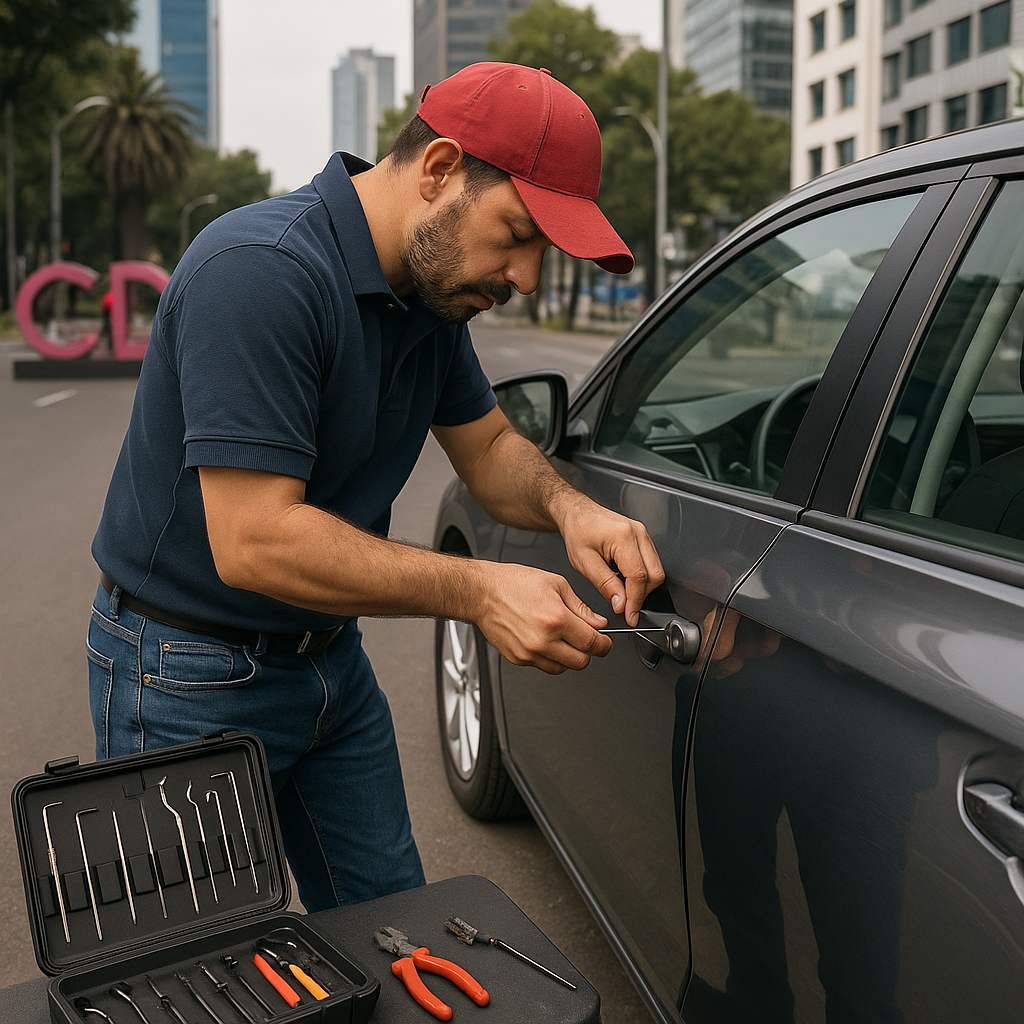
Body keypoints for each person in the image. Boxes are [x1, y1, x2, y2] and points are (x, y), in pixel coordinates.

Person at [87, 62, 665, 911]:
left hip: (330, 667)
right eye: (518, 233)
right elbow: (254, 541)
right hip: (184, 674)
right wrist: (477, 590)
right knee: (202, 978)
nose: (529, 278)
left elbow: (491, 447)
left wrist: (572, 510)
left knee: (397, 936)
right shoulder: (261, 270)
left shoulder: (431, 297)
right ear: (438, 170)